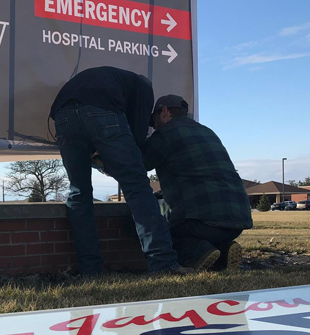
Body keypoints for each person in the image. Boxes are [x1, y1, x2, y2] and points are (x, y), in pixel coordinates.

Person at [50, 67, 191, 276]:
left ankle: (90, 271)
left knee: (79, 192)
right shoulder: (144, 88)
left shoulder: (113, 80)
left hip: (62, 115)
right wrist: (117, 165)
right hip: (101, 109)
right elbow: (137, 138)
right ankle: (162, 262)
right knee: (137, 186)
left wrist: (104, 161)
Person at [142, 95, 253, 271]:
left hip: (201, 220)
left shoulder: (165, 134)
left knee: (152, 225)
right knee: (197, 228)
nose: (153, 126)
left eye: (153, 119)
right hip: (238, 219)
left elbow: (136, 165)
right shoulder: (207, 131)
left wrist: (101, 158)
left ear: (164, 111)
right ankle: (224, 250)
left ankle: (198, 253)